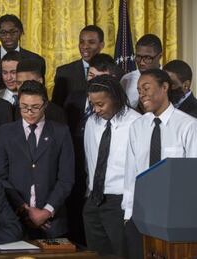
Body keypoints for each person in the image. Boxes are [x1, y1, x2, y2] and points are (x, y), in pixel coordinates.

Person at [122, 69, 197, 259]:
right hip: (142, 215)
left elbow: (192, 177)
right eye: (139, 90)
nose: (142, 94)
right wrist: (128, 215)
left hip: (176, 217)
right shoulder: (137, 127)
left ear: (164, 87)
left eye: (146, 88)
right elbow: (132, 174)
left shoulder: (188, 126)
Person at [0, 80, 75, 239]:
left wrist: (46, 211)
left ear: (45, 105)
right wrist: (24, 209)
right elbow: (0, 176)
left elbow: (66, 179)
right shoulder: (6, 132)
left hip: (52, 222)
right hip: (15, 220)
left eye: (35, 107)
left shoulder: (61, 133)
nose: (29, 112)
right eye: (24, 107)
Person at [50, 25, 105, 245]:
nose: (85, 46)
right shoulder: (65, 72)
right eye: (82, 41)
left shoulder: (110, 68)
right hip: (72, 151)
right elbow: (56, 112)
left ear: (101, 44)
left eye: (91, 42)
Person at [83, 75, 140, 257]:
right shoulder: (92, 122)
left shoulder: (137, 123)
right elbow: (89, 160)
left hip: (120, 203)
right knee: (96, 254)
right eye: (92, 104)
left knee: (122, 254)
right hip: (94, 200)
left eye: (101, 104)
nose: (96, 109)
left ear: (115, 98)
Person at [0, 14, 45, 94]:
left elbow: (40, 93)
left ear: (21, 32)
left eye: (13, 32)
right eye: (3, 32)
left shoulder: (36, 60)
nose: (8, 36)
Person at [15, 59, 67, 124]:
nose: (22, 87)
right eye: (19, 83)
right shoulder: (13, 110)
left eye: (28, 82)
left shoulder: (57, 113)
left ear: (40, 81)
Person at [120, 34, 162, 108]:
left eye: (148, 58)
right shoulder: (126, 80)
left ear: (159, 56)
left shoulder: (168, 79)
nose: (142, 63)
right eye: (138, 57)